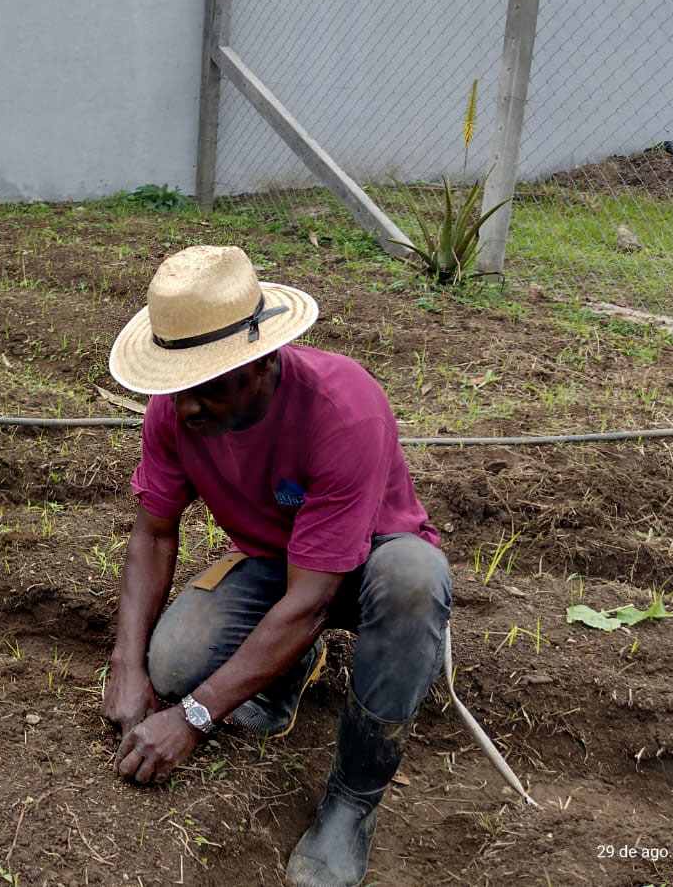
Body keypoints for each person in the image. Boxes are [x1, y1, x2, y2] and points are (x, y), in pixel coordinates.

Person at [99, 246, 451, 887]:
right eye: (176, 389)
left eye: (206, 386)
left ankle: (351, 804)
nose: (186, 409)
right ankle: (285, 672)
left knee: (412, 584)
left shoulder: (342, 409)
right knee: (171, 662)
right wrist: (125, 667)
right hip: (276, 563)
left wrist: (194, 717)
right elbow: (152, 534)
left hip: (371, 565)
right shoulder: (176, 412)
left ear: (259, 364)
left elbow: (313, 597)